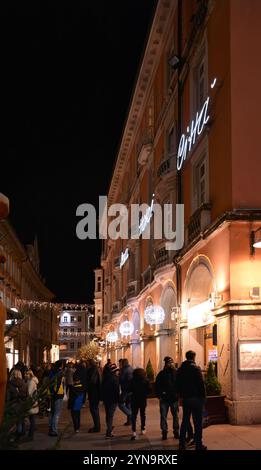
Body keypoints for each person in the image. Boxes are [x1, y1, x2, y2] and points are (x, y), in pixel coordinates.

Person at [177, 350, 207, 451]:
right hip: (196, 398)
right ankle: (198, 444)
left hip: (186, 399)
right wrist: (203, 398)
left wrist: (180, 396)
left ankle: (181, 444)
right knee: (197, 422)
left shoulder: (181, 369)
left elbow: (177, 384)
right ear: (194, 357)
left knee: (185, 421)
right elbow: (201, 385)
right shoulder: (196, 369)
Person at [155, 356, 179, 440]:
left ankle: (176, 431)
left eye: (171, 362)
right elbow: (157, 386)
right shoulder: (161, 374)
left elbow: (179, 385)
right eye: (169, 363)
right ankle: (164, 432)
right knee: (163, 416)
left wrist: (177, 395)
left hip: (173, 399)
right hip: (164, 399)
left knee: (175, 416)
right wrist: (160, 395)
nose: (170, 364)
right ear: (165, 364)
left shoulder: (175, 373)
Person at [128, 368, 150, 440]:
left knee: (134, 415)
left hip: (134, 399)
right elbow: (149, 390)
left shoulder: (132, 380)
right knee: (143, 414)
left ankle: (134, 430)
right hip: (142, 399)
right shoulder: (146, 380)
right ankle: (143, 428)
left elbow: (129, 389)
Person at [101, 363, 120, 438]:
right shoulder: (115, 379)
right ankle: (109, 432)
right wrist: (118, 399)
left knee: (108, 414)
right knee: (110, 416)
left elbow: (102, 388)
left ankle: (109, 428)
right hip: (113, 399)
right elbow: (116, 390)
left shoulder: (105, 378)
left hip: (106, 399)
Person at [48, 360, 65, 437]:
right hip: (58, 394)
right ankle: (54, 430)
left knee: (52, 412)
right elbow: (60, 384)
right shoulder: (60, 373)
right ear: (60, 365)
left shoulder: (51, 372)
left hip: (52, 394)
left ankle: (50, 428)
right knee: (56, 413)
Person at [86, 359, 101, 432]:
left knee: (94, 409)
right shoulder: (96, 369)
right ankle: (97, 426)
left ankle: (97, 427)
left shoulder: (93, 370)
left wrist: (86, 383)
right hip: (95, 392)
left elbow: (92, 381)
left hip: (94, 393)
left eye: (87, 363)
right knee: (94, 409)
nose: (86, 365)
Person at [25, 368, 39, 441]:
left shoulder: (31, 382)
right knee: (32, 418)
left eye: (26, 374)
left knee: (32, 418)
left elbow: (29, 393)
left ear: (30, 375)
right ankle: (31, 432)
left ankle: (31, 435)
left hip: (31, 402)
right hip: (33, 401)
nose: (25, 375)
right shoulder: (31, 381)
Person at [118, 358, 133, 425]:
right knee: (128, 404)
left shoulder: (124, 370)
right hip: (131, 390)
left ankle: (130, 415)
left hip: (126, 390)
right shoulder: (131, 368)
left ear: (123, 363)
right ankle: (129, 421)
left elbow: (121, 379)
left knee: (120, 404)